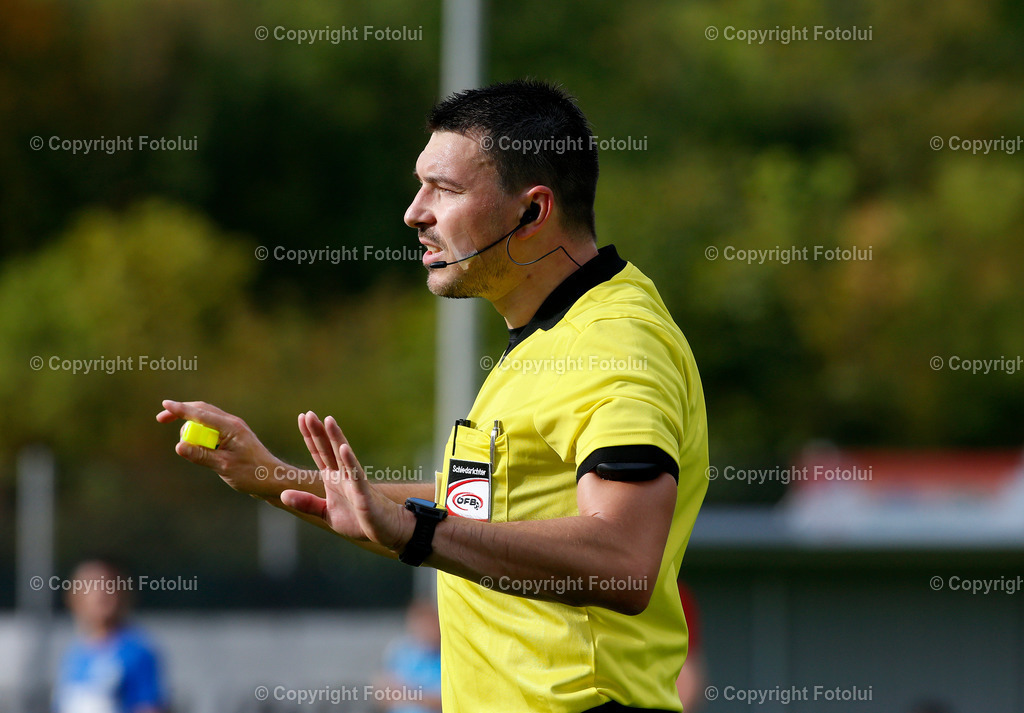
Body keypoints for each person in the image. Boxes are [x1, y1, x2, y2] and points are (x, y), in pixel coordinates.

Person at [157, 79, 709, 713]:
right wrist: (269, 475)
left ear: (532, 212)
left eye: (444, 190)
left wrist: (417, 530)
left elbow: (623, 560)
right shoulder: (540, 341)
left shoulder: (614, 341)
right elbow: (467, 518)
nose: (414, 212)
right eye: (420, 186)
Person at [54, 558, 167, 713]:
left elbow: (147, 705)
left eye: (110, 584)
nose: (102, 593)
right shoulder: (75, 655)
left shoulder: (137, 652)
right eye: (92, 585)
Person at [374, 599, 443, 713]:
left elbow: (443, 699)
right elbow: (381, 691)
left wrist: (408, 694)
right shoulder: (400, 650)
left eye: (428, 623)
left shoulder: (445, 657)